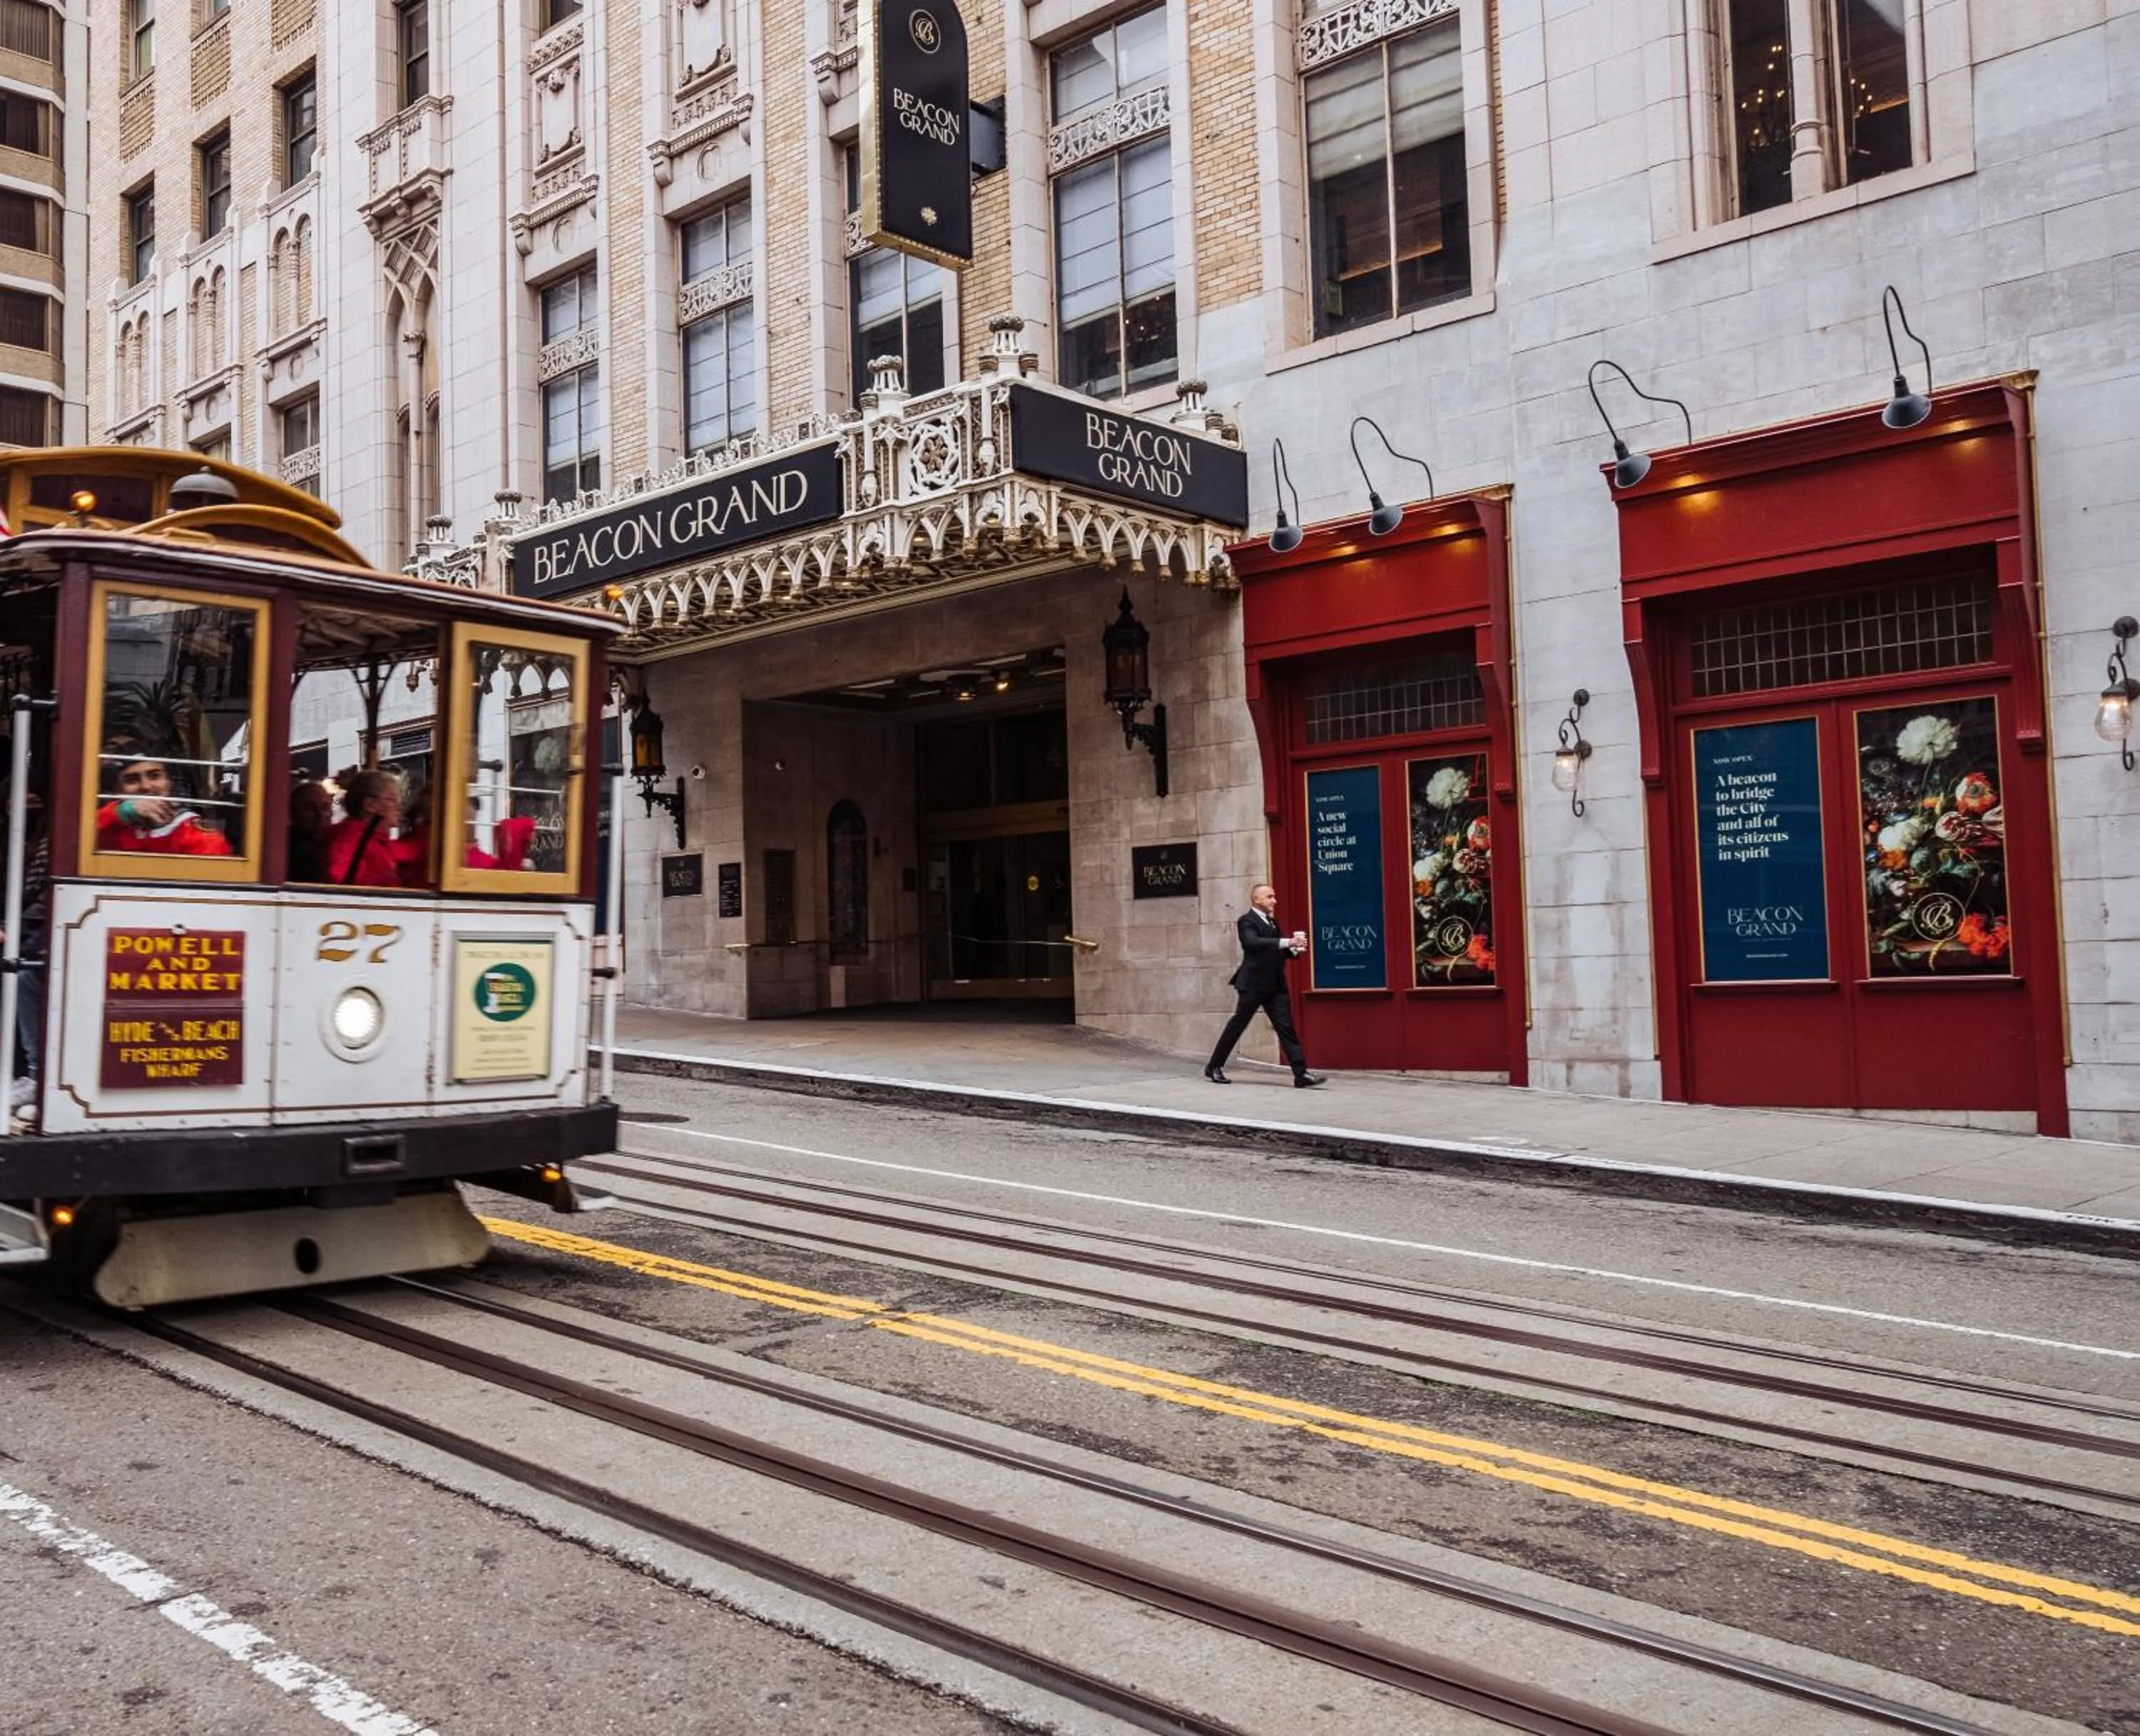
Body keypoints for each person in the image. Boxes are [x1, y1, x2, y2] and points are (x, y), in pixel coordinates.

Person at [1205, 882, 1323, 1088]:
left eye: (1274, 897)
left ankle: (1301, 1073)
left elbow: (1281, 951)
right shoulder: (1246, 921)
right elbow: (1252, 943)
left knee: (1286, 1028)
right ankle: (1214, 1066)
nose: (1274, 901)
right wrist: (1287, 942)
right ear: (1256, 899)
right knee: (1238, 1025)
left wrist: (1295, 949)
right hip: (1253, 984)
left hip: (1275, 986)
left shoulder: (1273, 923)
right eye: (1269, 897)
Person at [93, 752, 235, 857]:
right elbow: (79, 838)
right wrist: (120, 813)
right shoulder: (114, 827)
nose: (146, 786)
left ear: (169, 783)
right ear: (118, 790)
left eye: (155, 776)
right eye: (132, 780)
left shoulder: (197, 836)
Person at [325, 768, 404, 889]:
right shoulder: (351, 837)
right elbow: (338, 878)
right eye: (392, 799)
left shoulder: (376, 840)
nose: (399, 806)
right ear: (370, 805)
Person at [287, 778, 335, 882]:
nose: (320, 815)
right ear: (293, 813)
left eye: (325, 808)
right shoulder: (288, 848)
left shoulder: (337, 842)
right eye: (310, 808)